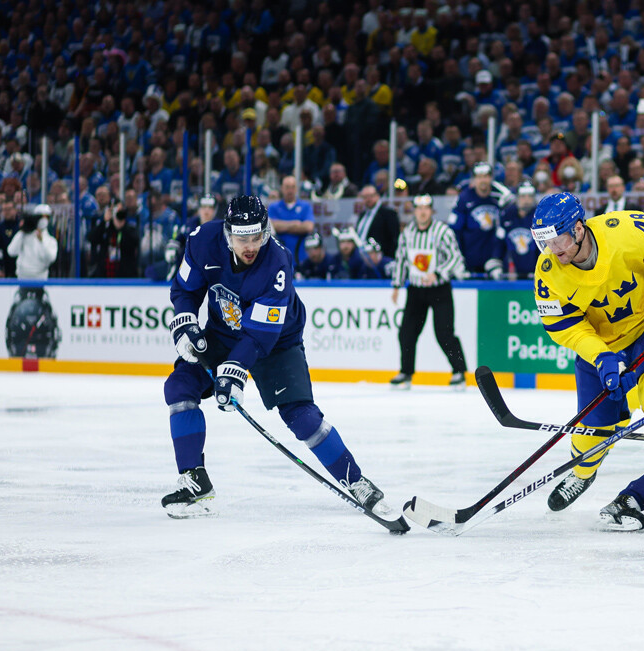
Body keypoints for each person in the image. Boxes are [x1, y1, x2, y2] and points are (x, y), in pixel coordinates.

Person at [162, 195, 400, 521]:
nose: (250, 246)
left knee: (301, 417)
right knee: (179, 388)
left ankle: (356, 481)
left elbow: (260, 335)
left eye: (256, 237)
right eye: (241, 238)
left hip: (277, 343)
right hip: (223, 334)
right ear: (227, 233)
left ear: (266, 231)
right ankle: (195, 481)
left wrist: (234, 374)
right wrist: (185, 322)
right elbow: (184, 290)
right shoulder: (202, 240)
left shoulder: (277, 262)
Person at [527, 193, 644, 521]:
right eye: (545, 243)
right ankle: (582, 473)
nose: (554, 250)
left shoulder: (628, 228)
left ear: (578, 229)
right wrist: (602, 356)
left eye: (559, 240)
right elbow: (565, 327)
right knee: (592, 426)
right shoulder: (548, 272)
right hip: (604, 345)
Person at [389, 195, 469, 389]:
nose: (422, 212)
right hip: (416, 290)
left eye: (426, 208)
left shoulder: (442, 232)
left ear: (431, 210)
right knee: (406, 332)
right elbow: (401, 260)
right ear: (414, 211)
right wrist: (397, 285)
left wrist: (438, 273)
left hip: (439, 290)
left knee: (444, 333)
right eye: (419, 208)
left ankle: (459, 371)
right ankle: (406, 372)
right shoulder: (407, 233)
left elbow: (456, 258)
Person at [447, 162, 512, 277]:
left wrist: (497, 257)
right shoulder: (463, 199)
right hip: (469, 257)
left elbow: (506, 228)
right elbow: (454, 231)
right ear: (473, 179)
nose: (483, 180)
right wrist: (458, 259)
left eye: (486, 176)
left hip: (494, 259)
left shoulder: (501, 196)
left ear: (491, 178)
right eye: (479, 177)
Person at [496, 182, 540, 279]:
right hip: (510, 273)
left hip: (534, 273)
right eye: (523, 196)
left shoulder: (540, 218)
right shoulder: (506, 215)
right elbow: (499, 243)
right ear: (517, 197)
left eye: (530, 196)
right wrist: (496, 261)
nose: (527, 200)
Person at [268, 176, 315, 264]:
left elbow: (308, 227)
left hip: (301, 259)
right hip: (279, 260)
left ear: (296, 189)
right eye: (287, 187)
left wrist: (282, 226)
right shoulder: (274, 207)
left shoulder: (305, 206)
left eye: (293, 187)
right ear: (282, 188)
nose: (290, 190)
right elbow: (271, 226)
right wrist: (295, 224)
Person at [7, 204, 59, 279]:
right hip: (22, 278)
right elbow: (11, 252)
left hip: (41, 279)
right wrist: (22, 232)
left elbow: (51, 258)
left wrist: (42, 241)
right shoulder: (23, 235)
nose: (43, 220)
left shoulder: (51, 240)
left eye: (46, 217)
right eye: (41, 217)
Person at [86, 206, 140, 278]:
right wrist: (104, 221)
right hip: (105, 274)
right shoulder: (105, 229)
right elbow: (91, 238)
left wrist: (122, 228)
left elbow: (135, 241)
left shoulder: (130, 229)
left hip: (125, 276)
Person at [353, 183, 400, 260]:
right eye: (365, 197)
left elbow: (394, 240)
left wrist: (386, 258)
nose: (368, 199)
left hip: (380, 258)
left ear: (377, 196)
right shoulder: (362, 215)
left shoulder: (388, 213)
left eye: (371, 196)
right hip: (360, 258)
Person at [0, 200, 22, 278]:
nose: (6, 212)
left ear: (15, 210)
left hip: (21, 266)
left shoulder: (21, 227)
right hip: (5, 267)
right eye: (4, 210)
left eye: (9, 209)